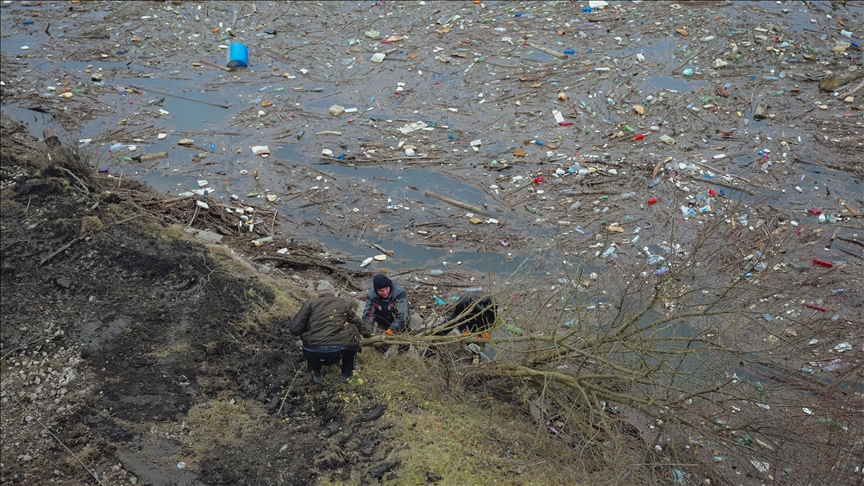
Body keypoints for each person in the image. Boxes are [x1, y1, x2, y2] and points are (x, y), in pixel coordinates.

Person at [288, 280, 368, 383]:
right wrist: (367, 333)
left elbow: (294, 329)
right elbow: (356, 320)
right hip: (335, 353)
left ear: (319, 294)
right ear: (333, 293)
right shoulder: (341, 303)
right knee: (352, 328)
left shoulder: (309, 304)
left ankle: (316, 372)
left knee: (309, 334)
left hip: (311, 353)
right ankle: (346, 373)